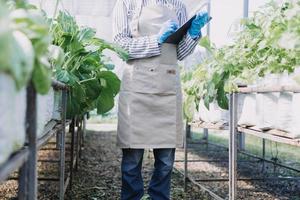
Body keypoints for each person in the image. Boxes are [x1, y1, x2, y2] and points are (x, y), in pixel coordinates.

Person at [113, 0, 210, 199]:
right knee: (132, 159)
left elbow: (180, 52)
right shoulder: (127, 4)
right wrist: (155, 40)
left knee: (165, 161)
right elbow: (120, 46)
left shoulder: (179, 6)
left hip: (167, 85)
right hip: (137, 87)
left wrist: (193, 35)